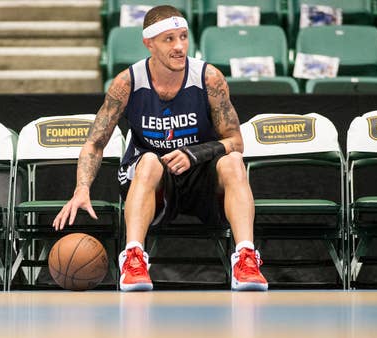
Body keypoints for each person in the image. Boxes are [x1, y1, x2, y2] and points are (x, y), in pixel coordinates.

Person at [53, 5, 268, 292]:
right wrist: (82, 188)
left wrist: (195, 154)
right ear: (149, 43)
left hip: (199, 175)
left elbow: (235, 141)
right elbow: (95, 143)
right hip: (152, 181)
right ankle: (133, 258)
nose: (179, 46)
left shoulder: (209, 78)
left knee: (233, 161)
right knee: (150, 160)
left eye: (183, 37)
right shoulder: (127, 83)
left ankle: (245, 259)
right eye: (169, 39)